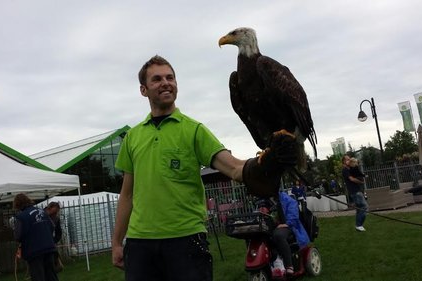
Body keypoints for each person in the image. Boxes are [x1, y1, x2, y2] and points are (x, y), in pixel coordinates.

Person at [111, 55, 296, 281]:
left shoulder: (194, 130)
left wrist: (259, 164)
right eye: (157, 79)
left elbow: (234, 167)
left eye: (170, 77)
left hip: (186, 240)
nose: (166, 82)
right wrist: (117, 242)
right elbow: (127, 194)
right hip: (140, 243)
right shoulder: (132, 137)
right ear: (143, 90)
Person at [13, 193, 58, 281]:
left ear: (17, 205)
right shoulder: (42, 211)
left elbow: (18, 236)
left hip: (34, 252)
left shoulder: (21, 217)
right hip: (49, 248)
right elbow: (52, 227)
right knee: (51, 276)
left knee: (38, 277)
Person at [271, 191, 310, 276]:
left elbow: (293, 216)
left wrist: (286, 224)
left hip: (290, 226)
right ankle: (273, 263)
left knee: (278, 235)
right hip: (272, 228)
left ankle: (289, 266)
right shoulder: (264, 201)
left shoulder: (287, 199)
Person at [342, 155, 368, 232]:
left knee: (359, 209)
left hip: (356, 190)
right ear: (344, 161)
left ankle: (358, 225)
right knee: (364, 207)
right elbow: (352, 179)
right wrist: (361, 182)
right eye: (347, 160)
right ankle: (359, 225)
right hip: (355, 191)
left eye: (350, 159)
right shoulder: (345, 170)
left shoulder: (350, 168)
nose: (349, 161)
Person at [44, 202, 63, 272]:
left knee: (56, 267)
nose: (54, 214)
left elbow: (59, 233)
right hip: (40, 246)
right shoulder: (41, 215)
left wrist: (54, 241)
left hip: (50, 245)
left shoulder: (56, 219)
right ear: (48, 208)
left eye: (56, 212)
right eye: (53, 212)